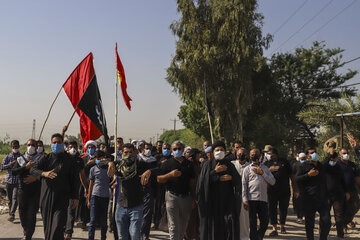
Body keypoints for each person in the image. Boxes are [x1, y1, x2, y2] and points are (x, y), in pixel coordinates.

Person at [30, 133, 79, 240]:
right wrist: (44, 174)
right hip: (46, 197)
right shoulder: (46, 158)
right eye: (54, 142)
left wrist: (75, 197)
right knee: (48, 227)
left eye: (59, 142)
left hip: (62, 197)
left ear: (63, 144)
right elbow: (33, 169)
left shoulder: (70, 160)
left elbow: (75, 180)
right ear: (51, 144)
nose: (56, 144)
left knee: (57, 225)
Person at [146, 141, 195, 240]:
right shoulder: (167, 164)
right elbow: (159, 179)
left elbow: (192, 181)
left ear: (183, 149)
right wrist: (170, 175)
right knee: (173, 224)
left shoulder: (189, 164)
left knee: (184, 223)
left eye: (179, 149)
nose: (177, 151)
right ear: (172, 151)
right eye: (175, 149)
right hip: (172, 196)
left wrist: (193, 197)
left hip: (186, 197)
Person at [197, 141, 241, 240]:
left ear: (225, 152)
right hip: (211, 203)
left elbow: (237, 182)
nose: (219, 152)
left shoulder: (230, 165)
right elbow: (202, 183)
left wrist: (231, 178)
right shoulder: (207, 165)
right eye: (217, 150)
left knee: (229, 224)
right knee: (213, 227)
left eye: (222, 150)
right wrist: (215, 173)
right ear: (213, 152)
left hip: (227, 202)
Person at [108, 143, 152, 240]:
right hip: (121, 205)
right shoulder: (118, 165)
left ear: (135, 152)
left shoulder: (141, 165)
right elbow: (100, 163)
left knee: (135, 234)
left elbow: (160, 167)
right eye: (126, 152)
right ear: (121, 153)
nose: (128, 155)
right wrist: (110, 163)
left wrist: (150, 171)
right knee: (121, 236)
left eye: (131, 152)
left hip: (136, 205)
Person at [295, 149, 331, 240]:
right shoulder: (303, 166)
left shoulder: (321, 166)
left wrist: (331, 152)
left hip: (322, 199)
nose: (314, 154)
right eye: (311, 153)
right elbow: (297, 178)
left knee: (326, 220)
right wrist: (308, 175)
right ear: (307, 156)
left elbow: (329, 158)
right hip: (309, 199)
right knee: (309, 223)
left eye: (315, 152)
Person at [242, 149, 275, 240]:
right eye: (252, 154)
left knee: (265, 221)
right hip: (251, 199)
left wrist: (262, 173)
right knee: (252, 223)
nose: (254, 156)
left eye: (256, 154)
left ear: (260, 155)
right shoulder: (247, 169)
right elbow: (244, 185)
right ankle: (254, 238)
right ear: (249, 156)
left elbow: (272, 181)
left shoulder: (265, 168)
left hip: (263, 199)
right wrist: (244, 199)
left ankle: (259, 236)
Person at [12, 139, 42, 240]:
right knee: (22, 213)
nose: (31, 147)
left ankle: (28, 236)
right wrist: (26, 167)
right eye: (29, 145)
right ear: (26, 146)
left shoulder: (40, 159)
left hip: (35, 192)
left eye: (33, 145)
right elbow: (14, 172)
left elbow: (45, 173)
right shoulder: (21, 159)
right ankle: (25, 229)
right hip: (22, 191)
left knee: (32, 214)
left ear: (37, 147)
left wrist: (36, 177)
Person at [264, 148, 298, 236]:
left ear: (275, 154)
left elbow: (291, 175)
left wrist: (295, 189)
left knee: (283, 209)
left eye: (269, 153)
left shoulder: (284, 162)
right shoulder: (266, 164)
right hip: (271, 191)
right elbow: (262, 175)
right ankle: (274, 228)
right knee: (272, 209)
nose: (268, 155)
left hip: (284, 190)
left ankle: (282, 225)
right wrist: (269, 170)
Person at [64, 141, 88, 240]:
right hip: (63, 188)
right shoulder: (64, 159)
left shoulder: (79, 160)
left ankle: (68, 231)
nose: (73, 148)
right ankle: (63, 228)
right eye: (71, 147)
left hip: (74, 189)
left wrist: (85, 187)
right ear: (67, 148)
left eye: (74, 147)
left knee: (71, 210)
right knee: (62, 211)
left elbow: (82, 175)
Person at [87, 150, 111, 240]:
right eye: (97, 158)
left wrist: (111, 184)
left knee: (103, 222)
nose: (99, 160)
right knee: (92, 221)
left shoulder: (108, 168)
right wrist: (89, 199)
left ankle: (103, 238)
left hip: (105, 197)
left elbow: (113, 178)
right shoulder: (93, 169)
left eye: (101, 158)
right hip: (95, 196)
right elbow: (90, 185)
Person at [324, 151, 348, 240]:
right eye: (331, 159)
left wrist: (346, 191)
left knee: (339, 216)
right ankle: (323, 234)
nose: (332, 160)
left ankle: (340, 235)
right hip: (327, 195)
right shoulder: (325, 167)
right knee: (325, 216)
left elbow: (342, 181)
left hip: (338, 195)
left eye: (334, 158)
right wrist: (329, 156)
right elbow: (323, 164)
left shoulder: (339, 167)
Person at [138, 143, 158, 240]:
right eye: (146, 149)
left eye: (149, 149)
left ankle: (145, 233)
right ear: (141, 149)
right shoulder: (137, 159)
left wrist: (150, 171)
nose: (148, 150)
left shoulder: (154, 161)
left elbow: (159, 169)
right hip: (137, 189)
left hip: (149, 189)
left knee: (148, 213)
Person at [337, 148, 360, 230]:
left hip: (352, 190)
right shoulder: (337, 165)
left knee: (356, 206)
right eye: (343, 153)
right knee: (343, 208)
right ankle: (343, 226)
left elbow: (357, 177)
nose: (345, 155)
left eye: (347, 153)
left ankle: (347, 221)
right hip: (341, 190)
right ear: (340, 155)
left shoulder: (352, 165)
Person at [77, 140, 97, 230]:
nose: (90, 149)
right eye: (89, 147)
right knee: (83, 202)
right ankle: (83, 220)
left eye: (92, 147)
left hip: (95, 183)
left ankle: (93, 221)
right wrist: (87, 164)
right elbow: (81, 170)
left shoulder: (98, 158)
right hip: (84, 182)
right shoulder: (83, 157)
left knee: (92, 202)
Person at [231, 148, 250, 240]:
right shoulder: (232, 164)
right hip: (232, 194)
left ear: (246, 155)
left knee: (244, 218)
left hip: (245, 195)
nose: (241, 156)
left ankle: (244, 237)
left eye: (243, 154)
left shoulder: (250, 166)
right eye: (239, 154)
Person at [1, 139, 21, 222]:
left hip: (18, 181)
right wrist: (11, 164)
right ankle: (11, 212)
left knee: (15, 198)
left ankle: (12, 214)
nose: (15, 148)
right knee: (9, 199)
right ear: (11, 147)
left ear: (19, 147)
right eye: (13, 147)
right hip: (9, 181)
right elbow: (2, 167)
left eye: (16, 147)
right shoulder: (8, 157)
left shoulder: (21, 157)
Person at [292, 152, 307, 223]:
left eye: (304, 158)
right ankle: (299, 216)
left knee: (305, 202)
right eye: (301, 159)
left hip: (306, 186)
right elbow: (293, 176)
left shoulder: (308, 164)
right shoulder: (295, 165)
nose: (303, 160)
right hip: (297, 186)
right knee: (298, 202)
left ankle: (304, 216)